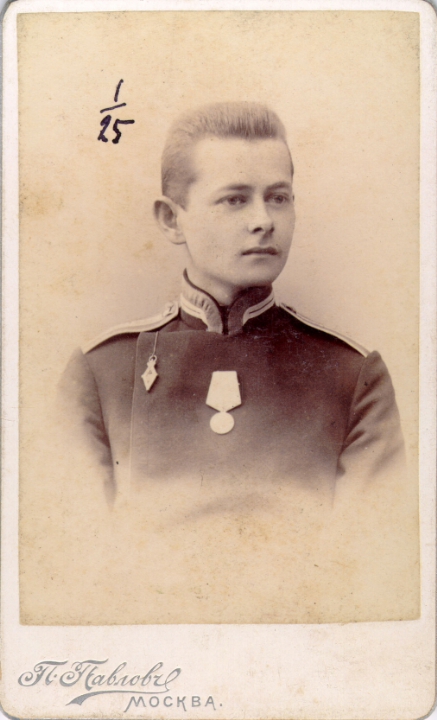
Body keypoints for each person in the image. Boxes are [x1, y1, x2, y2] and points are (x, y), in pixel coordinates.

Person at [57, 103, 418, 624]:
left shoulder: (352, 374)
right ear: (171, 220)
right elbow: (73, 574)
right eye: (234, 199)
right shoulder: (101, 372)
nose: (263, 221)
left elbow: (371, 575)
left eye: (279, 198)